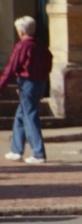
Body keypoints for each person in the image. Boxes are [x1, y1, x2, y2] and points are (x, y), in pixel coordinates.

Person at [1, 16, 53, 164]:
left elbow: (11, 68)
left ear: (21, 31)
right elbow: (49, 60)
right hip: (39, 83)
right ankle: (16, 150)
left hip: (27, 83)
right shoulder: (40, 45)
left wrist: (1, 85)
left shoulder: (22, 46)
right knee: (21, 115)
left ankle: (38, 153)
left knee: (30, 116)